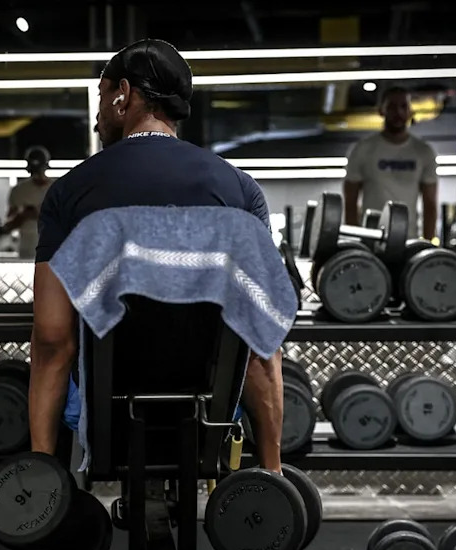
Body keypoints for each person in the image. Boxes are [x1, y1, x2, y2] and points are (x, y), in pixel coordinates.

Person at [29, 38, 286, 474]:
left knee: (49, 361)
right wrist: (272, 473)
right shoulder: (240, 190)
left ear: (123, 95)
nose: (96, 118)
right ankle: (270, 474)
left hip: (104, 419)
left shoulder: (70, 192)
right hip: (211, 415)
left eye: (101, 98)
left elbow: (53, 338)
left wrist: (38, 471)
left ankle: (50, 488)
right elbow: (262, 345)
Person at [343, 86, 439, 240]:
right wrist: (356, 241)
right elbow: (350, 202)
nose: (398, 112)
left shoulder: (423, 152)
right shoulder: (362, 150)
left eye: (403, 106)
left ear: (410, 111)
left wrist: (427, 243)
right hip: (371, 239)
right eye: (392, 106)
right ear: (382, 110)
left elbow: (430, 204)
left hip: (409, 240)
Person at [2, 146, 55, 259]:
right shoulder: (19, 191)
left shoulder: (56, 189)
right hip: (27, 249)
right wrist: (23, 215)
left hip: (52, 250)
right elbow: (7, 225)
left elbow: (68, 221)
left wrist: (43, 214)